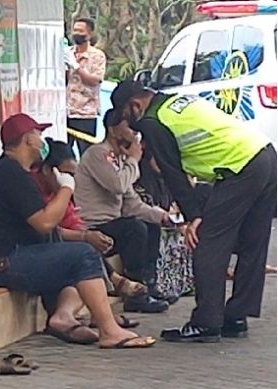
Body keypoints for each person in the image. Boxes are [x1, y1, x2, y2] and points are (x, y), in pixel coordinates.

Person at [111, 79, 277, 343]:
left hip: (239, 167)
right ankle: (236, 316)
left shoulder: (153, 120)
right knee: (251, 242)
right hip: (264, 153)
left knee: (208, 242)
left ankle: (206, 322)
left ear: (134, 104)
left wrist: (193, 218)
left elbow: (172, 172)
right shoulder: (176, 102)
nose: (129, 125)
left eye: (125, 117)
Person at [0, 113, 155, 349]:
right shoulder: (11, 173)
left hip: (14, 256)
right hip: (4, 261)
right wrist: (67, 188)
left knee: (77, 261)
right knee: (83, 255)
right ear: (28, 139)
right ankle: (109, 330)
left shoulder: (15, 172)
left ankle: (63, 317)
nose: (42, 141)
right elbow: (45, 223)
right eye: (39, 135)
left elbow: (47, 226)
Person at [74, 109, 172, 313]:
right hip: (94, 227)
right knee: (134, 228)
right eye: (128, 127)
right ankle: (135, 293)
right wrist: (134, 159)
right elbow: (117, 185)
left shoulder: (120, 160)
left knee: (149, 225)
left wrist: (161, 216)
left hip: (114, 224)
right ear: (112, 129)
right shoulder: (98, 154)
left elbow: (132, 203)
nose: (133, 133)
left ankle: (149, 283)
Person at [30, 138, 147, 299]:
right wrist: (84, 236)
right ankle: (115, 282)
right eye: (66, 174)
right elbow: (47, 226)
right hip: (36, 246)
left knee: (138, 227)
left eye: (72, 175)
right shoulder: (34, 190)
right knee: (83, 250)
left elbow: (70, 221)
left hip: (70, 235)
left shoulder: (58, 191)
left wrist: (88, 235)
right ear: (47, 170)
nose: (70, 180)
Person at [134, 152, 194, 299]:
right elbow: (144, 207)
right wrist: (173, 219)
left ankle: (181, 284)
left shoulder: (167, 179)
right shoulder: (141, 178)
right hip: (150, 220)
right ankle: (157, 285)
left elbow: (179, 207)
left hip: (170, 222)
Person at [64, 17, 106, 155]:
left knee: (87, 155)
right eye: (75, 30)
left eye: (80, 31)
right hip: (66, 113)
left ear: (89, 34)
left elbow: (95, 80)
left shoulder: (97, 56)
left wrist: (76, 67)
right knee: (64, 155)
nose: (76, 33)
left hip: (85, 114)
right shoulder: (68, 53)